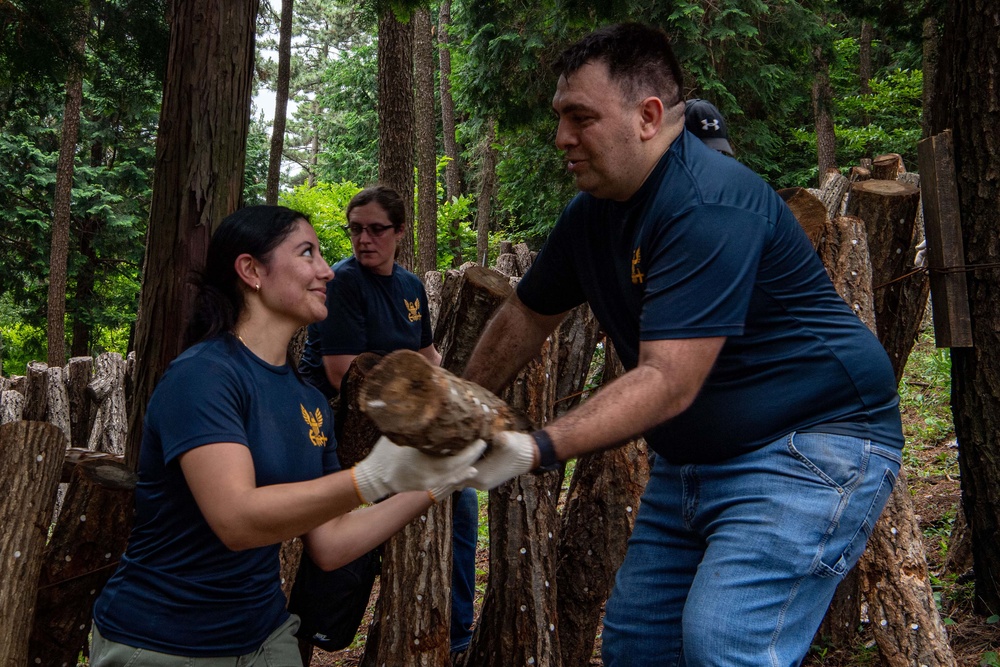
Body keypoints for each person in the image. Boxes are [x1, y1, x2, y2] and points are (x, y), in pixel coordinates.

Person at [460, 23, 904, 667]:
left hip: (813, 444)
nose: (562, 137)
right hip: (692, 462)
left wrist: (536, 447)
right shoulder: (593, 214)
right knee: (640, 648)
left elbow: (669, 379)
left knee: (725, 646)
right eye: (560, 117)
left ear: (647, 117)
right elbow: (527, 315)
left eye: (580, 117)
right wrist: (461, 407)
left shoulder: (707, 203)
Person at [89, 205, 483, 666]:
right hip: (163, 643)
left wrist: (439, 479)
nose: (326, 271)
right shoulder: (204, 376)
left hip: (264, 638)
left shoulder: (308, 400)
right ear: (251, 270)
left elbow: (331, 544)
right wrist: (373, 476)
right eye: (307, 253)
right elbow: (236, 520)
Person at [298, 185, 480, 658]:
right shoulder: (343, 285)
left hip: (401, 420)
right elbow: (345, 377)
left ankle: (458, 633)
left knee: (461, 501)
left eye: (376, 229)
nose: (364, 239)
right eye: (355, 228)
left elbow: (428, 357)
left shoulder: (409, 286)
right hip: (340, 430)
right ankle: (316, 631)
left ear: (400, 231)